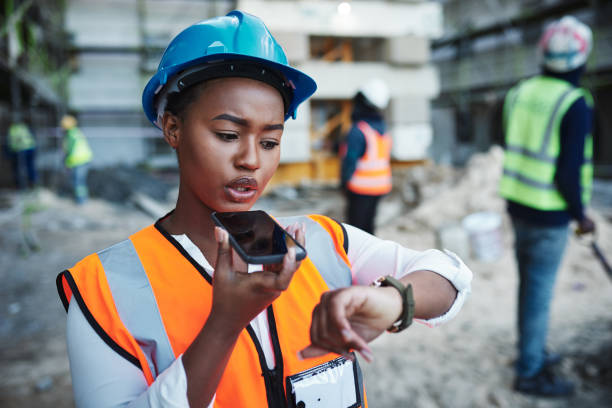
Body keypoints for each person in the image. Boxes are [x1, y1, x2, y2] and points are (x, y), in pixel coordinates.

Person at [56, 11, 472, 407]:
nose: (251, 160)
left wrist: (393, 301)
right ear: (173, 128)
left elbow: (451, 276)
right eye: (227, 134)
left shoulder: (325, 242)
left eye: (270, 141)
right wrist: (223, 325)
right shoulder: (103, 291)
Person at [499, 15, 595, 397]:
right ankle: (529, 370)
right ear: (581, 57)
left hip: (517, 204)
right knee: (538, 292)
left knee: (528, 287)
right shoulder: (575, 102)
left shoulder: (520, 92)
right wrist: (581, 215)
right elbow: (567, 175)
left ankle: (531, 351)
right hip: (550, 212)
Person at [340, 78, 391, 235]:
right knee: (369, 229)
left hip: (361, 189)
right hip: (380, 187)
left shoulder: (358, 130)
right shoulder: (382, 129)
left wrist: (343, 183)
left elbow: (350, 161)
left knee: (356, 232)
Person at [61, 114, 93, 204]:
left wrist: (67, 162)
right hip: (84, 159)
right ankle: (82, 198)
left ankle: (81, 200)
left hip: (79, 161)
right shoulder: (76, 132)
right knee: (80, 181)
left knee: (78, 181)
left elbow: (69, 151)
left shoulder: (71, 135)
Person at [6, 113, 38, 190]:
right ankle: (31, 183)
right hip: (29, 149)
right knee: (28, 167)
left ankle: (20, 185)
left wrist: (8, 153)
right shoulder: (25, 127)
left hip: (19, 151)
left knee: (18, 169)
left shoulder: (12, 129)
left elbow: (9, 142)